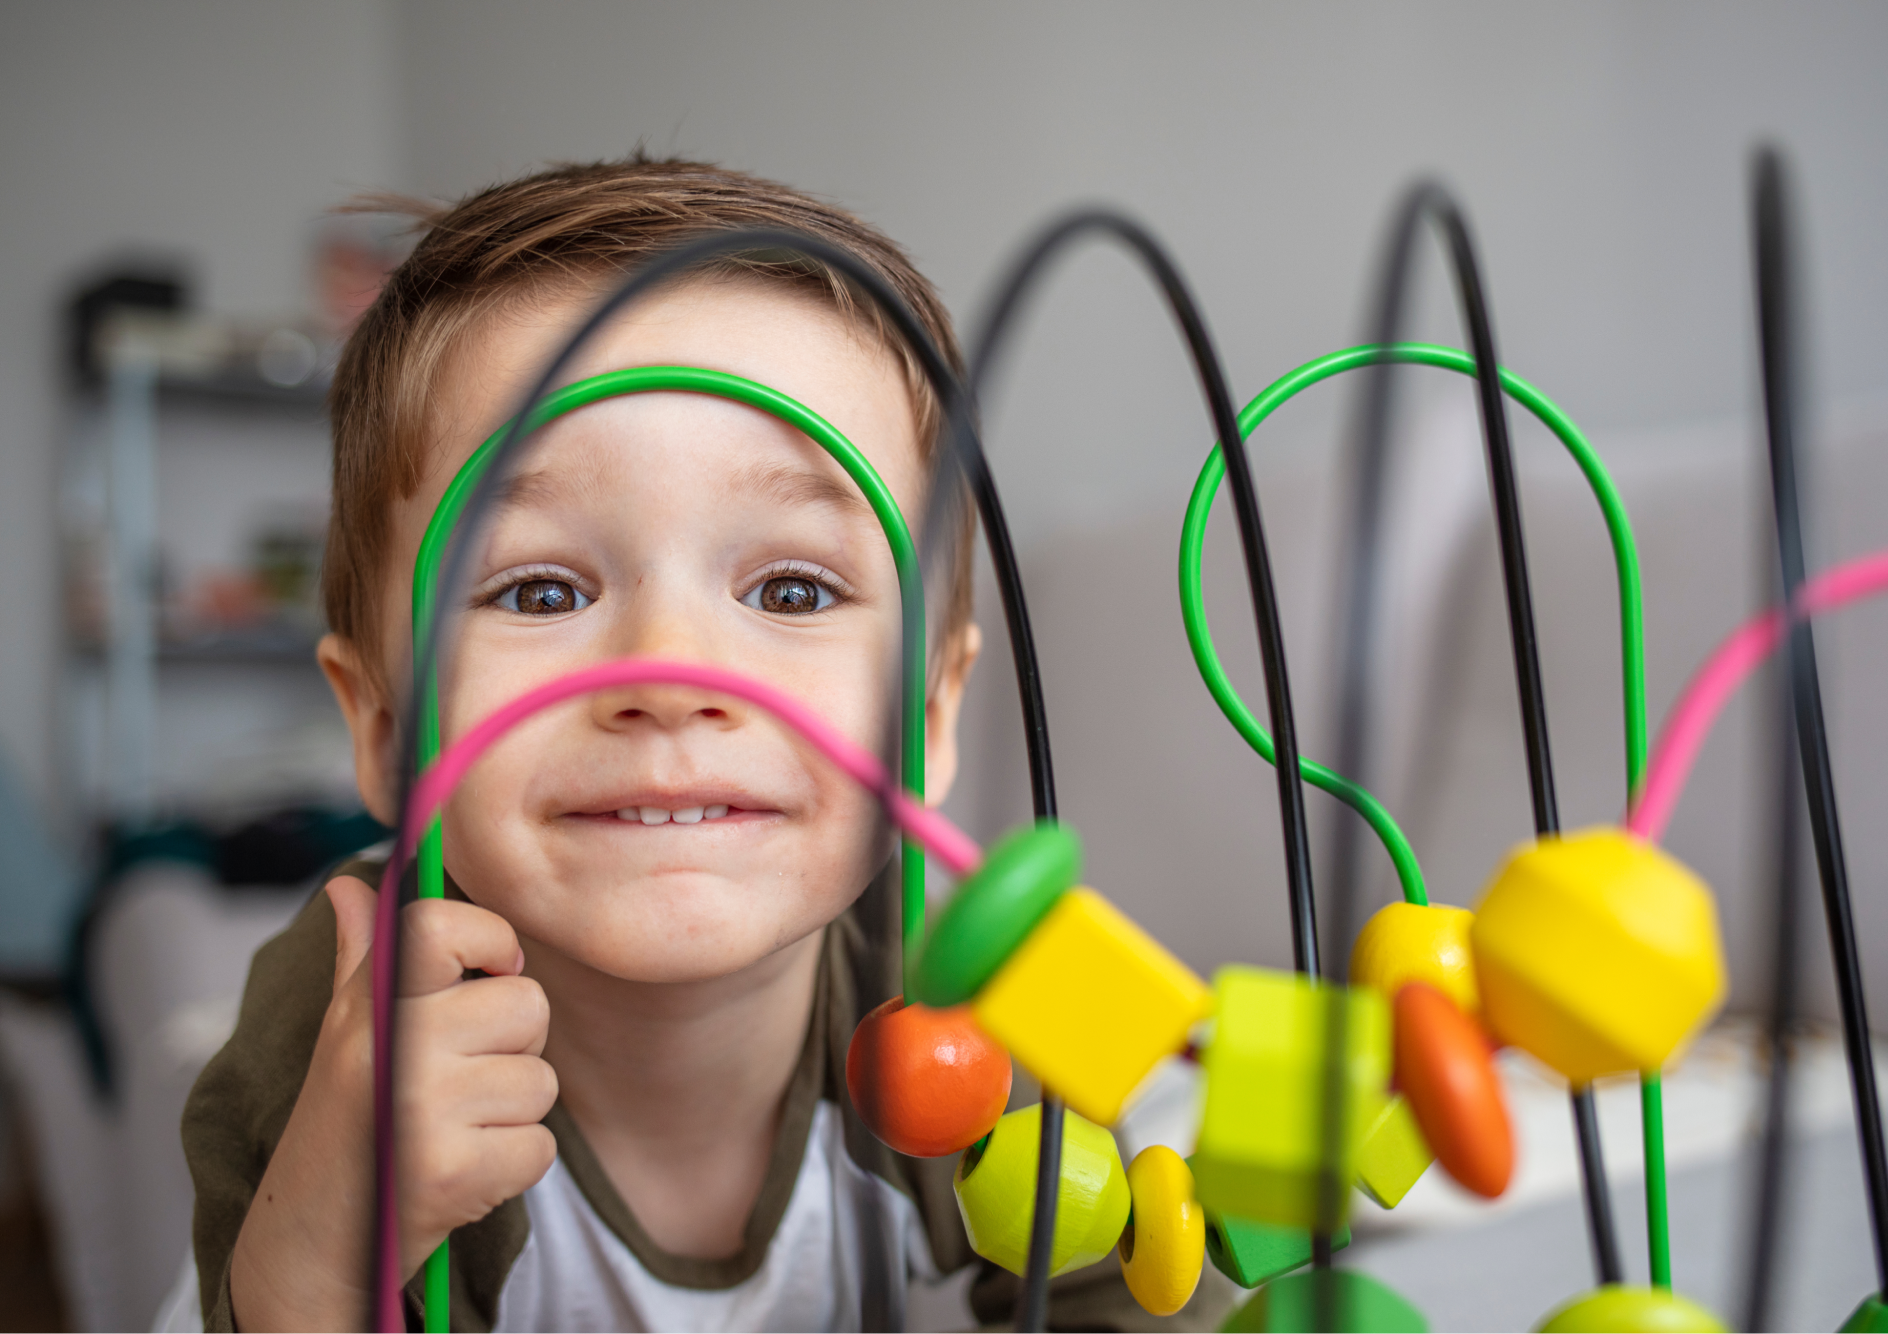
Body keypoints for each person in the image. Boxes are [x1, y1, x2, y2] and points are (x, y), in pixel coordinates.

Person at [177, 156, 1230, 1334]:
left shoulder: (967, 1001)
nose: (672, 676)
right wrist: (316, 1260)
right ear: (382, 729)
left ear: (929, 719)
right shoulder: (340, 1040)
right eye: (538, 591)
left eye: (790, 589)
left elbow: (1121, 1288)